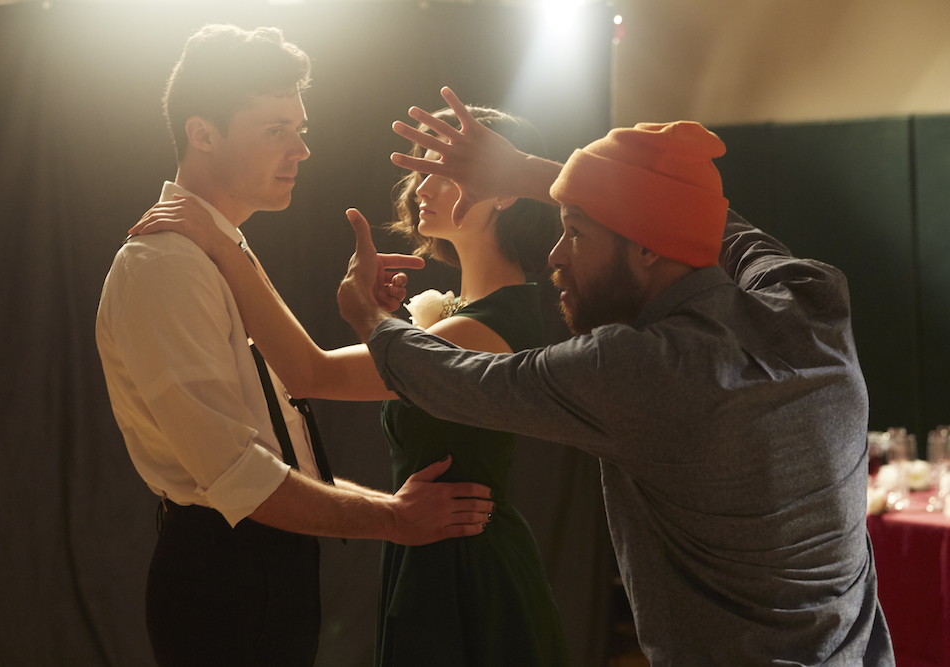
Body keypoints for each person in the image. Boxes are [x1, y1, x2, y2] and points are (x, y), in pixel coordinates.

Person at [334, 87, 896, 665]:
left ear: (647, 249)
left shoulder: (636, 370)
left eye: (576, 231)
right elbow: (707, 218)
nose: (556, 254)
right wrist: (527, 172)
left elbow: (455, 380)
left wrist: (370, 319)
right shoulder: (810, 298)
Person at [95, 30, 492, 667]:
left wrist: (392, 509)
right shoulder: (165, 264)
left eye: (300, 129)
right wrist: (393, 519)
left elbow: (278, 443)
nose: (301, 149)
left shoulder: (217, 248)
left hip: (260, 563)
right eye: (276, 129)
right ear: (202, 134)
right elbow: (239, 477)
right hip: (223, 576)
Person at [129, 106, 571, 666]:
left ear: (506, 191)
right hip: (433, 546)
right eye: (421, 170)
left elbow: (309, 374)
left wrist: (223, 245)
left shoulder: (489, 326)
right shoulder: (461, 318)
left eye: (443, 171)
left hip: (469, 566)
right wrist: (385, 326)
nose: (421, 187)